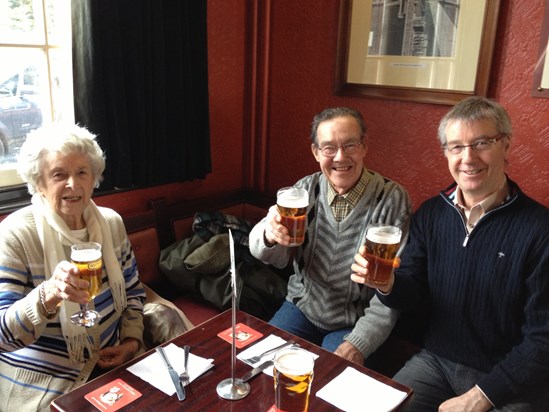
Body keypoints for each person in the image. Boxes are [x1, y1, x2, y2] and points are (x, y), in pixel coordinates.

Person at [351, 96, 549, 411]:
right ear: (446, 153)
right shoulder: (431, 213)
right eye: (456, 147)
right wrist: (387, 283)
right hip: (436, 362)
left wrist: (480, 396)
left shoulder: (540, 229)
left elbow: (543, 339)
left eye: (482, 142)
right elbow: (412, 294)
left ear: (506, 145)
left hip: (510, 382)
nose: (467, 158)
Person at [0, 124, 147, 411]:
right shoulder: (16, 233)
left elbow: (133, 292)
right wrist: (48, 295)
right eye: (59, 174)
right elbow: (2, 337)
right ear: (39, 183)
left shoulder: (111, 224)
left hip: (110, 364)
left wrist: (130, 341)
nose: (73, 184)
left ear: (94, 178)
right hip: (46, 381)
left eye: (82, 172)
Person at [249, 107, 412, 364]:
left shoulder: (391, 199)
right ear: (316, 152)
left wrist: (358, 343)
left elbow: (392, 289)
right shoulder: (305, 189)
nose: (340, 157)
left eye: (350, 145)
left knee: (329, 389)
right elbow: (273, 257)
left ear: (364, 146)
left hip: (354, 323)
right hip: (300, 309)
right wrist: (269, 235)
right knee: (262, 367)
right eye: (328, 148)